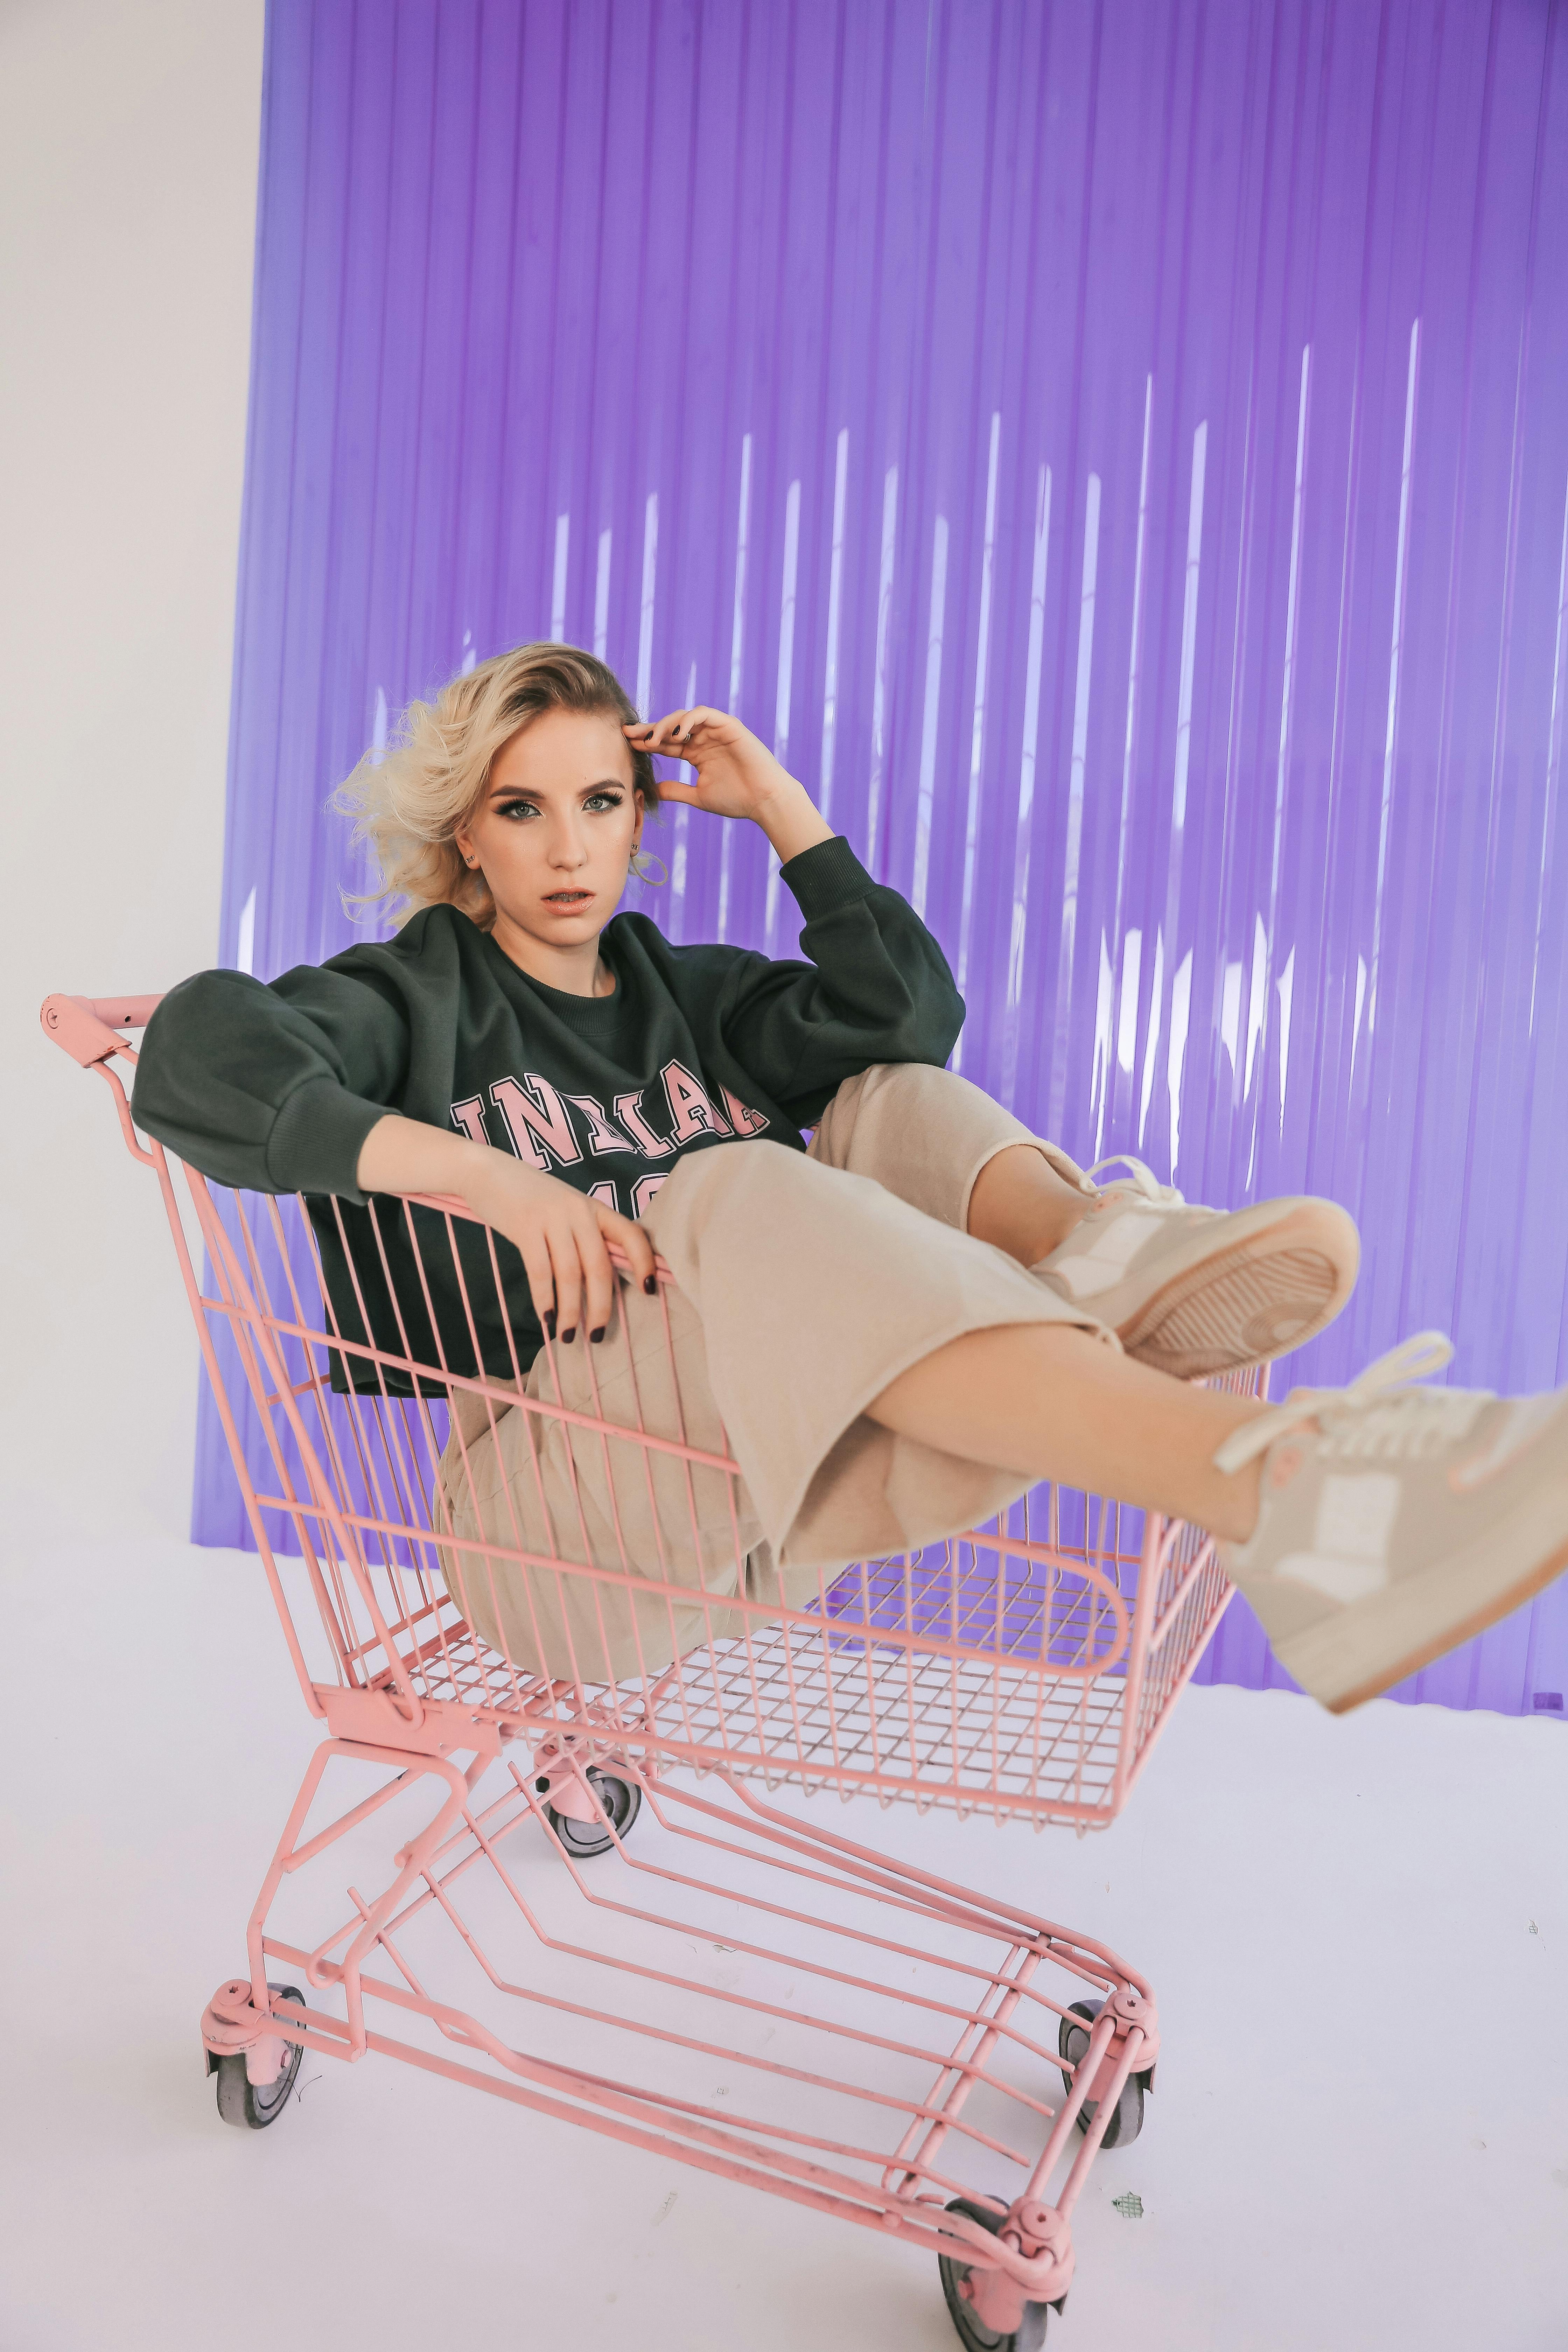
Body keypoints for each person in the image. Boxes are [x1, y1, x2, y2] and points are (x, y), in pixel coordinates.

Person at [132, 643, 1568, 1716]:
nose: (568, 847)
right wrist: (483, 1178)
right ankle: (1287, 1489)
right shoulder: (410, 998)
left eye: (602, 801)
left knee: (883, 1096)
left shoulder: (691, 995)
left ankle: (1098, 1254)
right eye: (522, 809)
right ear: (467, 832)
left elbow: (904, 1019)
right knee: (729, 1187)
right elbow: (198, 1054)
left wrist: (785, 813)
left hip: (776, 1504)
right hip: (556, 1528)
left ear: (643, 817)